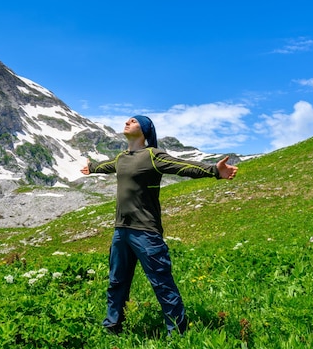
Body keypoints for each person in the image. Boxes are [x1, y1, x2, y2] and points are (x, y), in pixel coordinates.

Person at [80, 115, 238, 336]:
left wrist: (214, 170)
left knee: (162, 284)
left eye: (133, 121)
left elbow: (183, 167)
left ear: (144, 130)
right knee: (117, 282)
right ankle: (112, 329)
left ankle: (178, 335)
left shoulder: (153, 155)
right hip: (121, 231)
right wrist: (92, 167)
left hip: (146, 232)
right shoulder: (121, 158)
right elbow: (107, 166)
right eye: (127, 120)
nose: (127, 122)